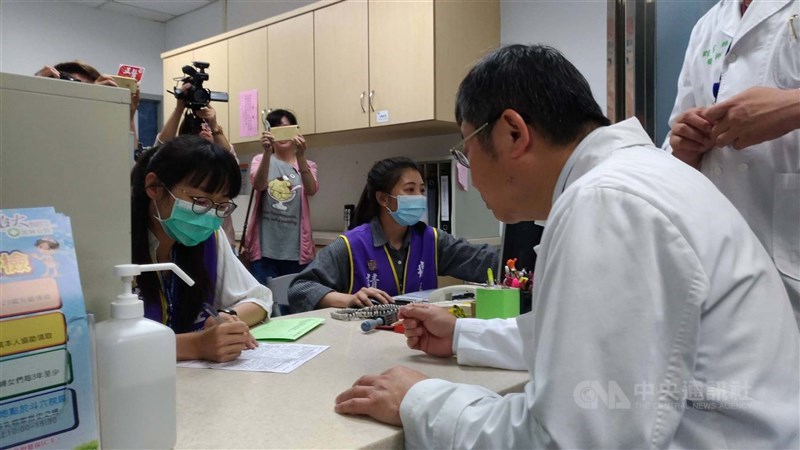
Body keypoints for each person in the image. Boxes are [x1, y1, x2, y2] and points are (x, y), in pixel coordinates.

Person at [334, 44, 800, 448]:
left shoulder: (607, 202)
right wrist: (460, 335)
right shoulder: (633, 180)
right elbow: (578, 339)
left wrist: (419, 399)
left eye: (465, 148)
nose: (468, 174)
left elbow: (566, 440)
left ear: (512, 132)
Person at [663, 0, 800, 326]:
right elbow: (676, 133)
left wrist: (791, 107)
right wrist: (683, 146)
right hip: (721, 276)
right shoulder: (708, 25)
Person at [288, 157, 497, 312]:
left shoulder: (432, 240)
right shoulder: (351, 245)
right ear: (383, 199)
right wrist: (348, 300)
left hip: (417, 340)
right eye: (410, 190)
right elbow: (300, 288)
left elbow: (481, 260)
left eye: (422, 190)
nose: (419, 197)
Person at [131, 135, 272, 363]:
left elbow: (259, 299)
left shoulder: (210, 237)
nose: (210, 215)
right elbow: (101, 341)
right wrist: (197, 345)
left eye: (222, 205)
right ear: (154, 187)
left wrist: (226, 318)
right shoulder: (116, 242)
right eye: (200, 201)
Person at [155, 86, 237, 248]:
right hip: (180, 237)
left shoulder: (223, 163)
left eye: (207, 128)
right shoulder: (179, 162)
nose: (204, 131)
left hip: (221, 242)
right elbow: (159, 150)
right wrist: (179, 109)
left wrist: (214, 125)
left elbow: (230, 164)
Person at [245, 109, 318, 289]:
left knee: (297, 304)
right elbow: (259, 184)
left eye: (287, 128)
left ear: (296, 131)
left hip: (297, 252)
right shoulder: (260, 160)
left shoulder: (308, 165)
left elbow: (311, 189)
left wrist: (300, 156)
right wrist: (267, 153)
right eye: (277, 129)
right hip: (265, 251)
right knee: (267, 307)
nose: (282, 134)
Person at [35, 61, 141, 149]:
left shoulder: (99, 134)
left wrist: (129, 116)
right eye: (82, 89)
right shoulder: (44, 127)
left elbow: (130, 165)